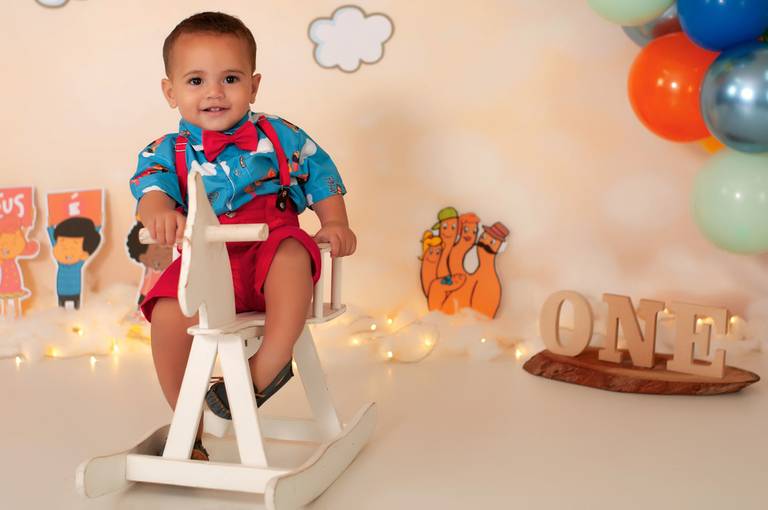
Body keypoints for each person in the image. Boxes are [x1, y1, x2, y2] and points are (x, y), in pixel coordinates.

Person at [129, 11, 356, 461]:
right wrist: (159, 213)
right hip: (208, 263)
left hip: (271, 246)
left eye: (230, 79)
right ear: (170, 92)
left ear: (253, 86)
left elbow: (320, 174)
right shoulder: (165, 152)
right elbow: (151, 191)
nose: (214, 92)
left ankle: (266, 367)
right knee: (167, 312)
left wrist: (334, 221)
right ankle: (189, 423)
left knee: (292, 254)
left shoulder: (281, 135)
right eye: (196, 81)